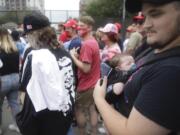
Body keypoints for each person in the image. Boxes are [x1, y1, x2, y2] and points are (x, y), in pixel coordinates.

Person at [93, 0, 180, 134]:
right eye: (145, 17)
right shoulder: (156, 47)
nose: (146, 25)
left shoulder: (170, 71)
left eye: (155, 14)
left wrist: (99, 99)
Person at [16, 12, 76, 135]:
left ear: (33, 35)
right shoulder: (64, 52)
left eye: (27, 35)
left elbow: (25, 93)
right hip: (65, 116)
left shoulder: (35, 56)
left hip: (44, 123)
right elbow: (74, 83)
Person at [70, 15, 100, 135]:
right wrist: (79, 58)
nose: (78, 28)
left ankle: (82, 132)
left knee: (79, 109)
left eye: (82, 26)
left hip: (86, 85)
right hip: (94, 83)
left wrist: (72, 56)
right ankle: (94, 132)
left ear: (90, 27)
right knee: (92, 108)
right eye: (78, 26)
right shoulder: (93, 41)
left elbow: (86, 68)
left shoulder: (87, 44)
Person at [0, 27, 20, 134]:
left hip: (3, 80)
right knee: (14, 104)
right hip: (16, 78)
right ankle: (18, 125)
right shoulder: (15, 49)